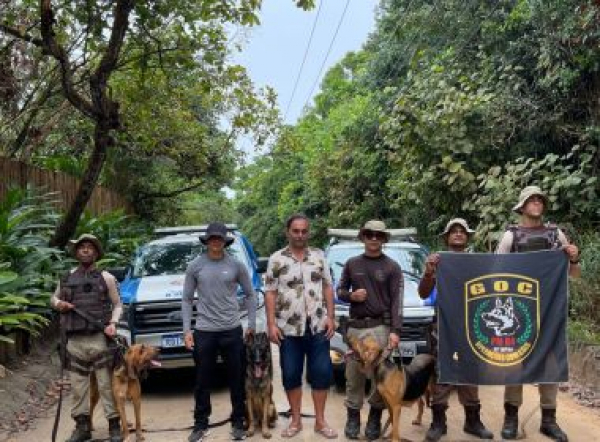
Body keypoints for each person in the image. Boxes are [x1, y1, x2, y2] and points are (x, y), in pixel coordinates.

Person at [496, 186, 580, 441]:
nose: (536, 203)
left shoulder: (557, 235)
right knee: (515, 363)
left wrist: (574, 259)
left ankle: (548, 420)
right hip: (520, 312)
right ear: (522, 207)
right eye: (531, 200)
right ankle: (510, 418)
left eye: (539, 200)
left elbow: (573, 276)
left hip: (550, 310)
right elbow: (496, 273)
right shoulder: (511, 237)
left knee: (550, 362)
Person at [418, 218, 494, 441]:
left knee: (471, 371)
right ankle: (438, 422)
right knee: (443, 372)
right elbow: (423, 293)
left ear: (467, 237)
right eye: (454, 231)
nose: (459, 234)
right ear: (446, 237)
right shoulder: (438, 261)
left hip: (472, 325)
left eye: (463, 231)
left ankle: (473, 421)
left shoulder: (477, 262)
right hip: (444, 325)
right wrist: (429, 272)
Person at [264, 213, 337, 439]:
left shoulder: (319, 256)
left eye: (304, 231)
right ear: (288, 232)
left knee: (322, 373)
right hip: (288, 329)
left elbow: (327, 286)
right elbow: (270, 292)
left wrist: (331, 317)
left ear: (309, 232)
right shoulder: (276, 259)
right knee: (291, 374)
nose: (300, 235)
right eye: (295, 231)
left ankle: (320, 421)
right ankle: (295, 420)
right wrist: (271, 324)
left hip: (317, 326)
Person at [182, 222, 257, 442]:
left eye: (220, 238)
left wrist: (251, 324)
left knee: (236, 378)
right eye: (212, 238)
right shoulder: (195, 266)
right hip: (204, 331)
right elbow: (187, 300)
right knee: (203, 380)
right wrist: (187, 330)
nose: (216, 241)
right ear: (207, 241)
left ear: (225, 241)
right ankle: (200, 424)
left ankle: (238, 421)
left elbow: (251, 295)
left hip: (232, 330)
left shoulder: (236, 265)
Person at [51, 234, 123, 442]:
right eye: (81, 247)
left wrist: (113, 323)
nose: (85, 250)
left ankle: (114, 426)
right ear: (76, 252)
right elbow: (53, 298)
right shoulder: (66, 277)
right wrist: (59, 305)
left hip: (99, 339)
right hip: (74, 341)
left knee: (105, 385)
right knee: (78, 387)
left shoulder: (106, 277)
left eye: (89, 247)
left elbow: (118, 304)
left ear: (96, 252)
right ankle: (82, 427)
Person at [336, 219, 403, 441]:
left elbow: (397, 301)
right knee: (354, 375)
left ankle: (375, 417)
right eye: (369, 234)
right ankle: (353, 417)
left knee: (380, 377)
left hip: (380, 329)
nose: (374, 238)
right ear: (363, 237)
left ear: (384, 239)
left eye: (378, 235)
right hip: (356, 329)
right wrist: (350, 296)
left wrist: (395, 330)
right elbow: (340, 290)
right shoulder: (352, 263)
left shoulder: (392, 266)